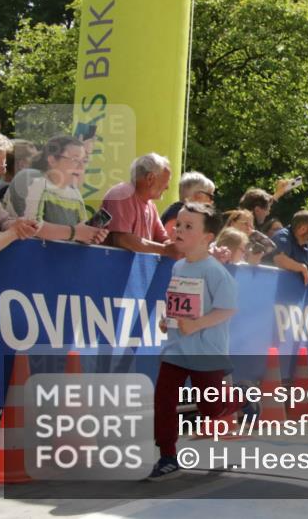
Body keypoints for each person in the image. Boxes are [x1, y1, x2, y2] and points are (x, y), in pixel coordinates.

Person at [149, 203, 240, 480]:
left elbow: (228, 309)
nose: (179, 230)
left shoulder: (214, 271)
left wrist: (198, 324)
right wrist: (169, 321)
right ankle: (167, 455)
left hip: (206, 351)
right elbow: (178, 304)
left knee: (210, 407)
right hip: (176, 348)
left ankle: (238, 401)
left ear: (207, 237)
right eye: (179, 224)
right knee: (164, 401)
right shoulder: (177, 266)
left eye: (189, 226)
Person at [4, 135, 108, 246]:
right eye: (75, 160)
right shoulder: (30, 178)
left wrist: (91, 235)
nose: (81, 166)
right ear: (52, 159)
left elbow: (81, 231)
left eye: (84, 161)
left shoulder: (74, 192)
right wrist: (75, 233)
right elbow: (31, 227)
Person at [100, 153, 178, 257]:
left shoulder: (150, 205)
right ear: (150, 178)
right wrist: (165, 250)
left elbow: (163, 240)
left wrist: (178, 248)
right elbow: (122, 240)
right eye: (166, 181)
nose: (167, 187)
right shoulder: (123, 193)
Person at [0, 128, 39, 258]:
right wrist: (13, 233)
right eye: (0, 165)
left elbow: (3, 219)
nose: (3, 171)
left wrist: (18, 224)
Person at [266, 210, 308, 285]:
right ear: (302, 229)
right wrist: (302, 268)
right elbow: (279, 260)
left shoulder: (307, 242)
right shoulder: (283, 236)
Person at [161, 172, 215, 237]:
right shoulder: (177, 213)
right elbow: (169, 239)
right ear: (198, 196)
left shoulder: (181, 212)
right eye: (210, 196)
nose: (212, 201)